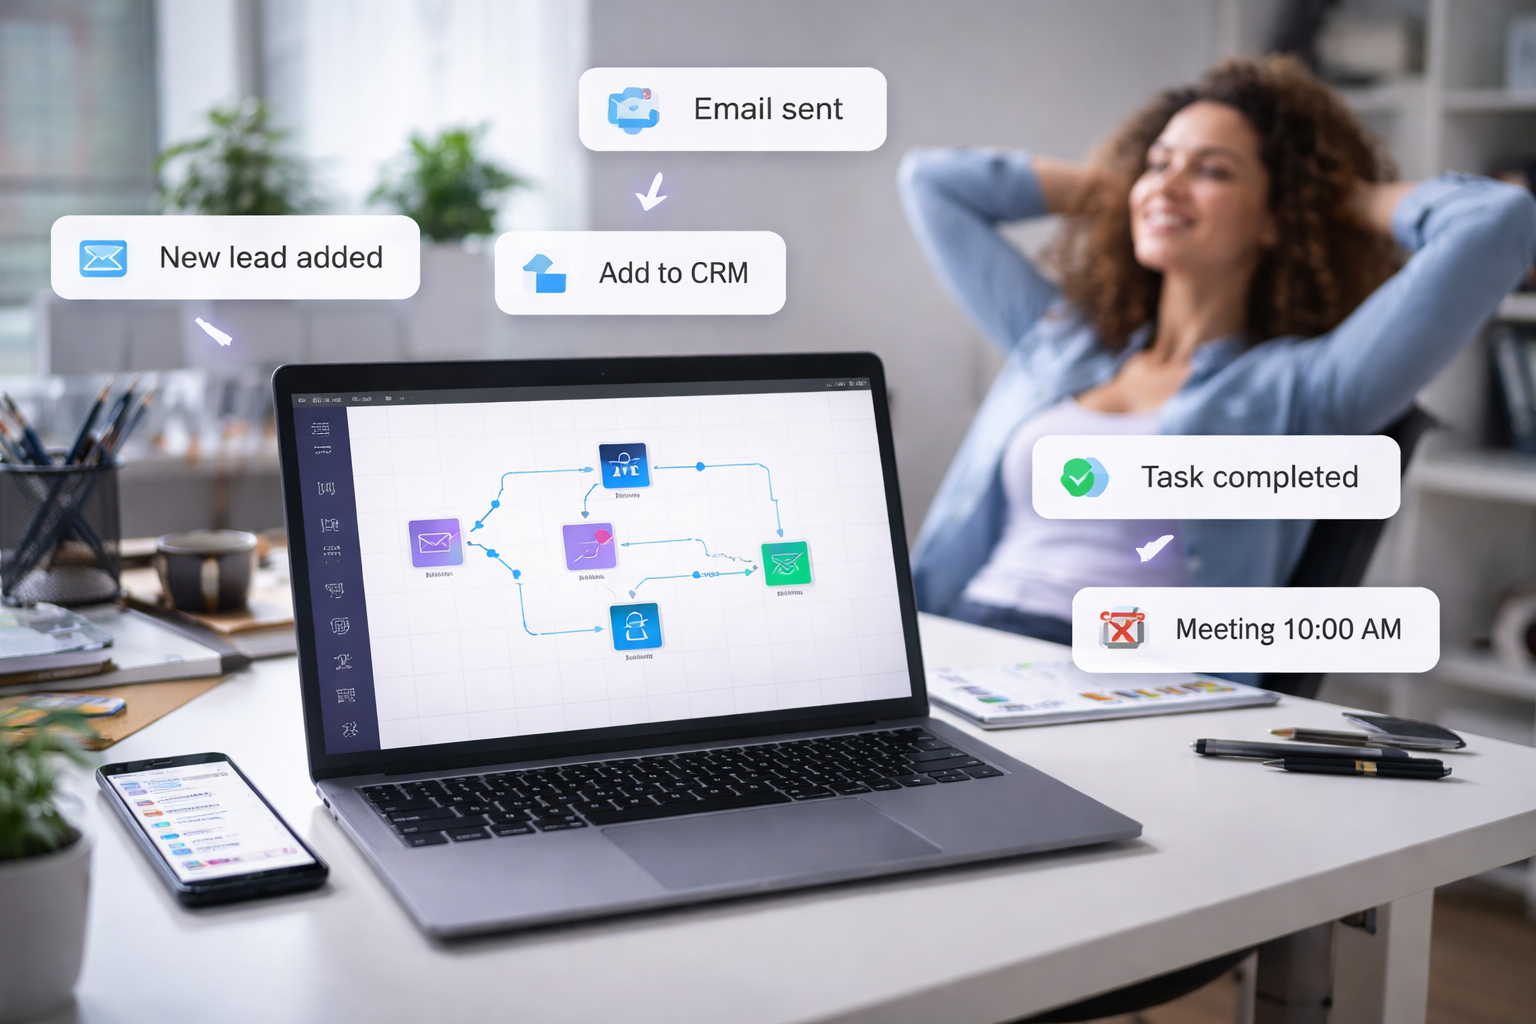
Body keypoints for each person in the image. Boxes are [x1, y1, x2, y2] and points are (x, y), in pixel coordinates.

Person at [899, 55, 1536, 644]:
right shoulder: (1063, 342)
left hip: (1122, 673)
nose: (1169, 183)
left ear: (1276, 217)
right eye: (1158, 161)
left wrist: (1337, 200)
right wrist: (1131, 191)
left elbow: (1497, 221)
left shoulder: (1305, 389)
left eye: (1212, 170)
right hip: (961, 635)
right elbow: (931, 183)